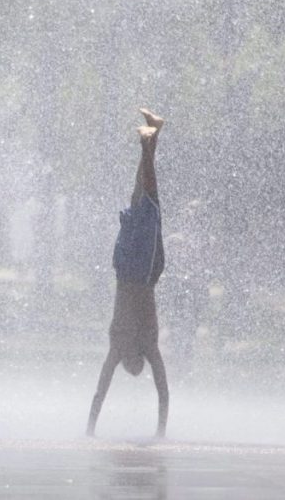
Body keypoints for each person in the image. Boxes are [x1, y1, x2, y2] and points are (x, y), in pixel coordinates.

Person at [87, 109, 169, 438]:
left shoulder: (121, 346)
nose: (135, 365)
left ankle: (151, 137)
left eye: (132, 367)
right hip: (138, 270)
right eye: (137, 366)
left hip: (131, 270)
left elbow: (101, 390)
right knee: (147, 202)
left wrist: (91, 430)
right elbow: (162, 392)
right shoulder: (145, 345)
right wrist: (160, 432)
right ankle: (150, 141)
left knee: (141, 201)